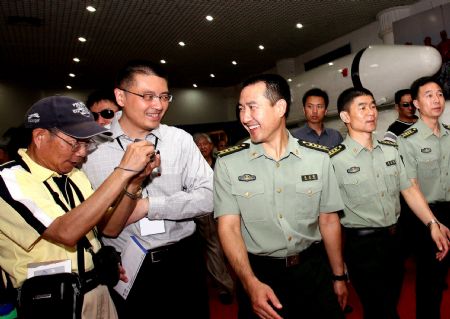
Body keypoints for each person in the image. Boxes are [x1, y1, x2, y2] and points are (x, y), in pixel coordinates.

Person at [0, 96, 159, 319]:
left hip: (97, 291)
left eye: (87, 143)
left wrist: (133, 182)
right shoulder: (10, 180)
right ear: (40, 136)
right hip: (51, 302)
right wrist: (122, 171)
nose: (83, 153)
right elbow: (66, 232)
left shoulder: (75, 176)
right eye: (75, 143)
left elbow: (110, 228)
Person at [82, 60, 212, 318]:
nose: (158, 105)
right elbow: (83, 215)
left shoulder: (179, 140)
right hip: (126, 267)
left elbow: (210, 196)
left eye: (164, 97)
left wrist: (148, 207)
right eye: (147, 96)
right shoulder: (91, 149)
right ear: (120, 96)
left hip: (183, 258)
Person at [214, 74, 347, 319]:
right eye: (241, 108)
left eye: (253, 107)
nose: (244, 117)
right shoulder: (228, 163)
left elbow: (328, 220)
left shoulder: (318, 158)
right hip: (261, 275)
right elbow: (229, 228)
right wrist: (249, 282)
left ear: (280, 108)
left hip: (313, 270)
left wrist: (339, 276)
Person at [330, 86, 449, 319]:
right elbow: (328, 219)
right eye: (362, 107)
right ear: (345, 117)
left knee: (389, 303)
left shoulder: (390, 151)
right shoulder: (334, 160)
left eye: (373, 106)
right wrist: (338, 272)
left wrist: (432, 223)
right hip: (363, 247)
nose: (371, 112)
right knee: (381, 310)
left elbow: (409, 190)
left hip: (395, 242)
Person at [397, 76, 450, 319]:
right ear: (416, 103)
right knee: (431, 281)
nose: (436, 99)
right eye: (429, 95)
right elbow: (411, 187)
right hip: (424, 215)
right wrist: (433, 223)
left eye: (439, 93)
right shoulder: (406, 141)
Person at [193, 132, 235, 305]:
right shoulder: (192, 166)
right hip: (205, 212)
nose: (202, 147)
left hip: (227, 210)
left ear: (211, 146)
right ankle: (226, 287)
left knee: (228, 246)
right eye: (198, 144)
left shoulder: (222, 161)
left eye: (205, 144)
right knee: (214, 248)